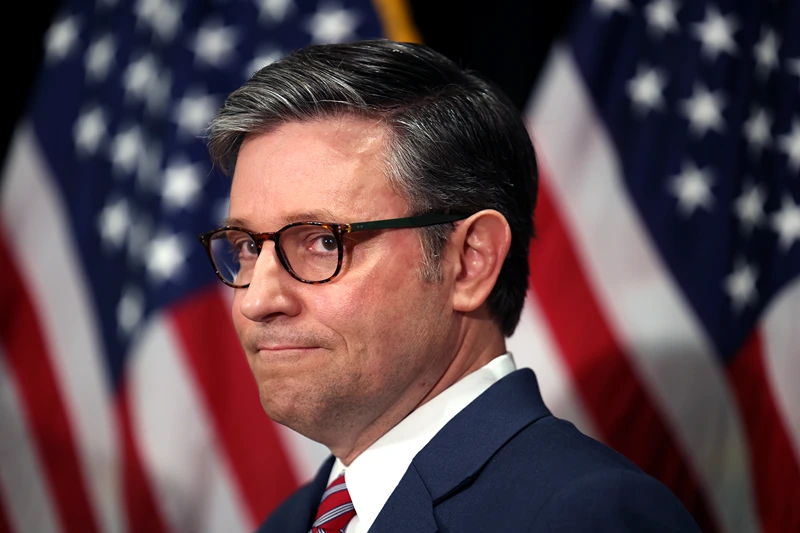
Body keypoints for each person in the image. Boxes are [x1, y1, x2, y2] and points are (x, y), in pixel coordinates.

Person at [199, 38, 702, 533]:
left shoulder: (583, 514)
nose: (258, 301)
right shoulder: (288, 524)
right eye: (247, 247)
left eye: (324, 243)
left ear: (470, 262)